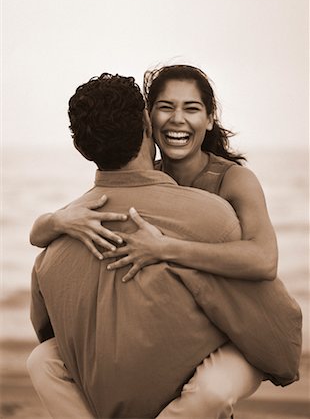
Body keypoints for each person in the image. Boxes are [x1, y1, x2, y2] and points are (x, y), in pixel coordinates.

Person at [27, 72, 301, 419]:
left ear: (210, 117)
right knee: (43, 359)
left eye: (192, 108)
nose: (177, 118)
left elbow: (263, 260)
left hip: (219, 324)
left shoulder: (231, 182)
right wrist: (56, 222)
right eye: (165, 107)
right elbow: (48, 229)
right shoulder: (139, 177)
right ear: (148, 120)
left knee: (212, 386)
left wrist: (165, 248)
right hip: (162, 334)